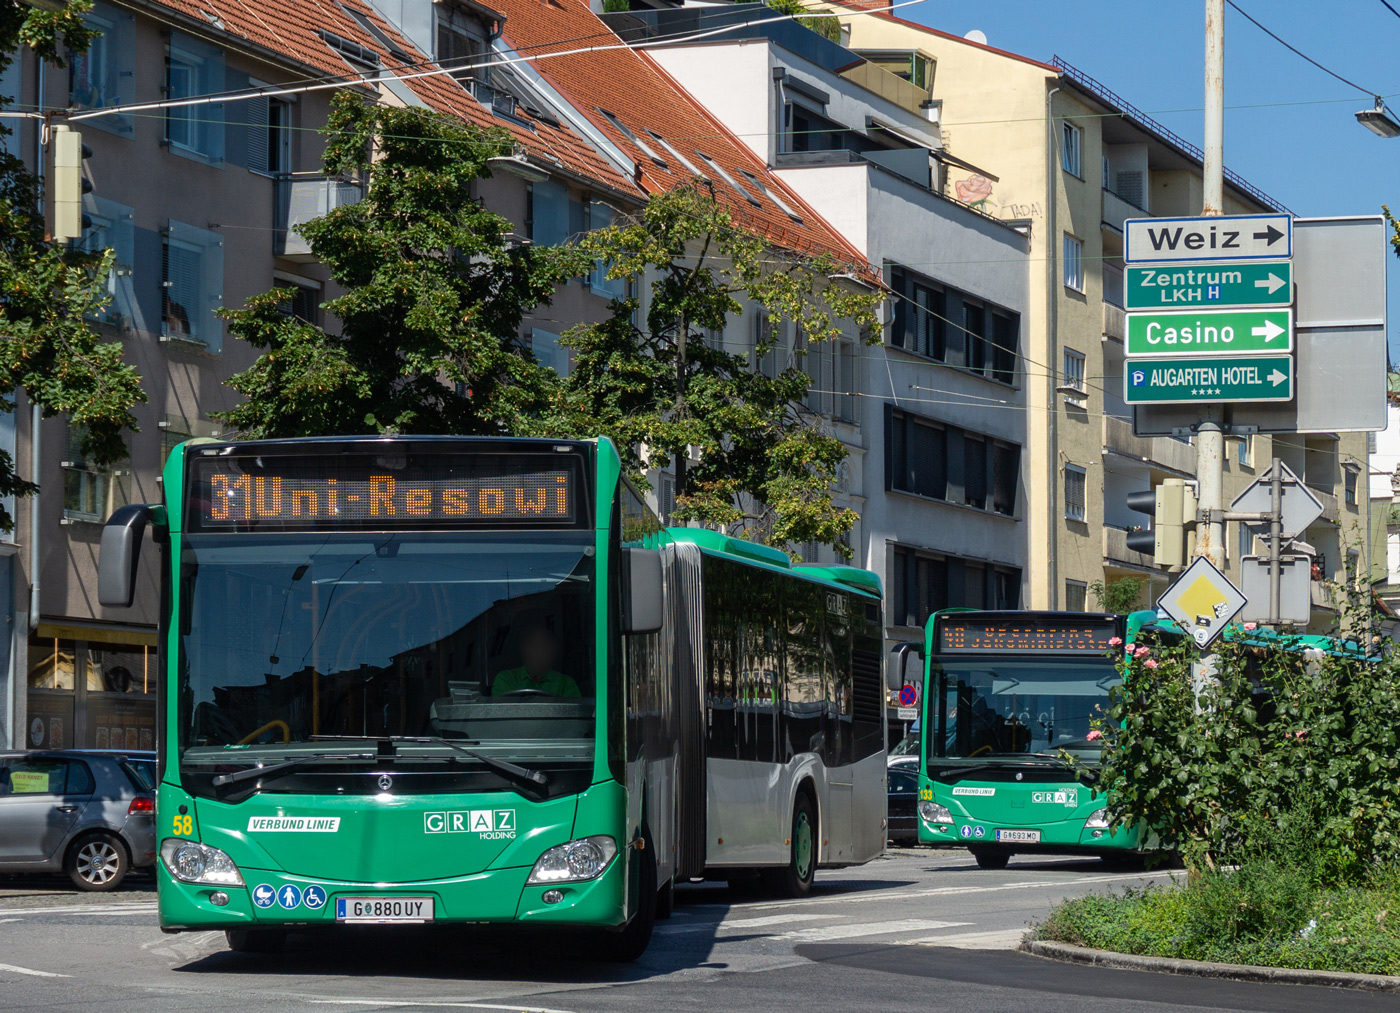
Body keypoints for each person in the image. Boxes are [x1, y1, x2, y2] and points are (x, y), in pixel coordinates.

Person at [492, 619, 580, 697]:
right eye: (532, 643)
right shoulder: (506, 679)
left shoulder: (566, 683)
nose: (538, 651)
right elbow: (503, 713)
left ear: (554, 650)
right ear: (521, 648)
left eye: (544, 644)